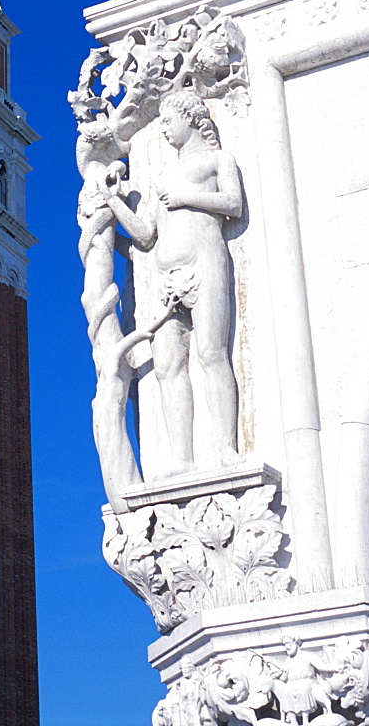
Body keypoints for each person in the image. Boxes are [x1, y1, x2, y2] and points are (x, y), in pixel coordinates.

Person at [102, 90, 242, 473]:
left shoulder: (218, 160)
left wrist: (186, 197)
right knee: (166, 365)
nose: (163, 128)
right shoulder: (163, 175)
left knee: (212, 354)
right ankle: (183, 459)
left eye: (168, 120)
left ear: (191, 118)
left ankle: (226, 449)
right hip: (166, 277)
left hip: (206, 264)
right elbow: (146, 235)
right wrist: (114, 202)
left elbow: (233, 204)